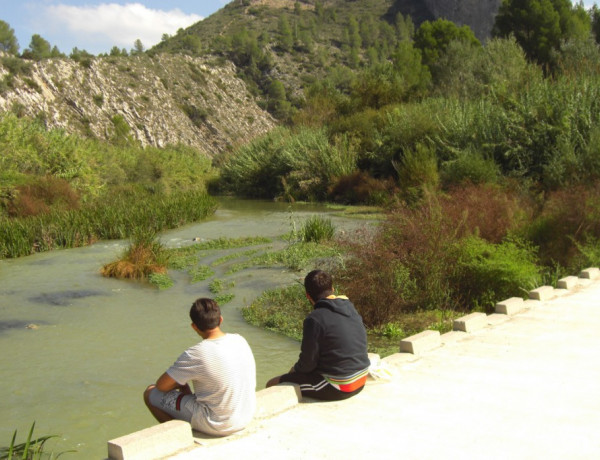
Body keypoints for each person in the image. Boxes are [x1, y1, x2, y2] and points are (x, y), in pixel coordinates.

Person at [143, 298, 256, 436]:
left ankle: (179, 436)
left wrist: (181, 384)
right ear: (220, 320)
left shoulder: (195, 354)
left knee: (150, 393)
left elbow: (161, 386)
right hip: (245, 416)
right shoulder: (239, 339)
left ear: (194, 326)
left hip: (219, 424)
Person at [266, 269, 370, 400]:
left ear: (308, 296)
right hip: (362, 377)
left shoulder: (314, 319)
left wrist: (293, 371)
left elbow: (307, 364)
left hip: (341, 386)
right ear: (332, 289)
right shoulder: (349, 306)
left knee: (272, 384)